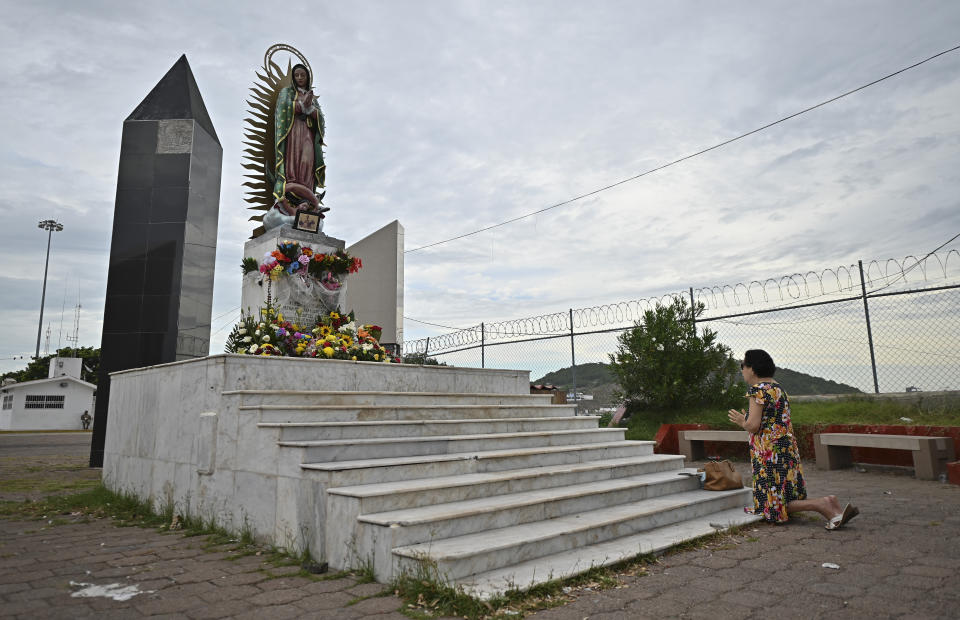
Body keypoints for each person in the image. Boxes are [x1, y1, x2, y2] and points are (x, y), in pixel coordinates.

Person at [727, 349, 859, 530]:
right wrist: (749, 419)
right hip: (785, 447)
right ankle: (832, 504)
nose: (742, 369)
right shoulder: (778, 388)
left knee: (772, 505)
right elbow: (773, 419)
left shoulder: (757, 390)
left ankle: (823, 504)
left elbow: (754, 426)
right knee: (784, 492)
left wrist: (743, 421)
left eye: (743, 365)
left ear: (753, 369)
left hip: (768, 452)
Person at [273, 63, 326, 216]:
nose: (300, 78)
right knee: (294, 157)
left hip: (308, 134)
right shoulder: (287, 92)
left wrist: (311, 109)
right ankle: (291, 185)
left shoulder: (313, 98)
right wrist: (302, 105)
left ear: (307, 77)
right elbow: (283, 107)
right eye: (297, 75)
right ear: (293, 77)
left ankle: (306, 191)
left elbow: (320, 118)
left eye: (303, 75)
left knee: (307, 159)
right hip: (293, 132)